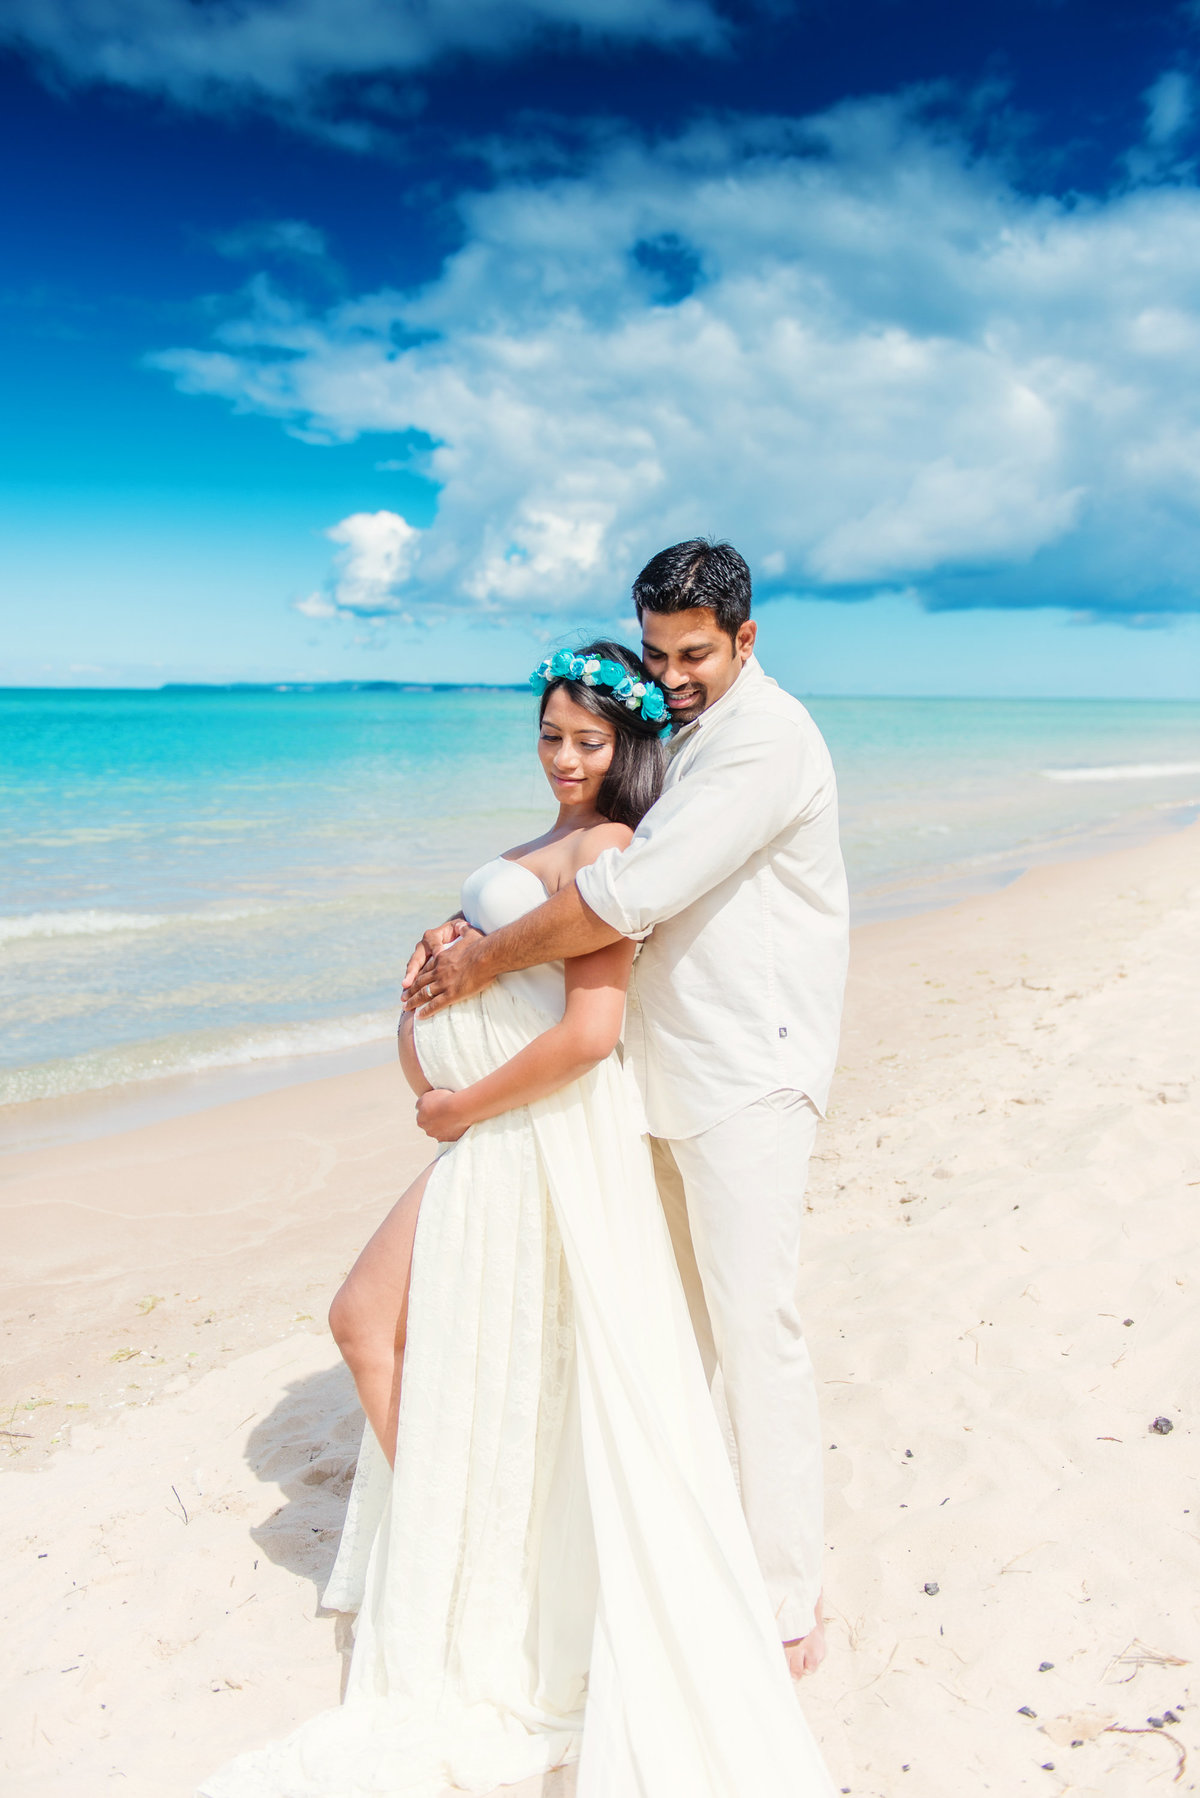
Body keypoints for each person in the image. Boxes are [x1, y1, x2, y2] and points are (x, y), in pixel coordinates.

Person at [199, 639, 834, 1798]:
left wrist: (455, 1103)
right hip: (488, 1133)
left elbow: (590, 1032)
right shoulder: (549, 840)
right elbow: (481, 977)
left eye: (589, 739)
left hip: (528, 1135)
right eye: (549, 734)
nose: (564, 757)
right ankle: (467, 1553)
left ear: (629, 742)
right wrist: (442, 959)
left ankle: (488, 1569)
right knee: (387, 1333)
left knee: (396, 1331)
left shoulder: (610, 848)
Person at [403, 540, 850, 1680]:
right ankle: (674, 1554)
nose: (674, 674)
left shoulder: (767, 741)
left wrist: (484, 962)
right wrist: (466, 928)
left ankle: (785, 1599)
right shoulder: (679, 732)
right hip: (651, 1077)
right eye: (657, 652)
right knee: (667, 1333)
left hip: (749, 1072)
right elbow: (580, 855)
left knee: (756, 1334)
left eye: (695, 653)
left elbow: (629, 893)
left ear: (748, 639)